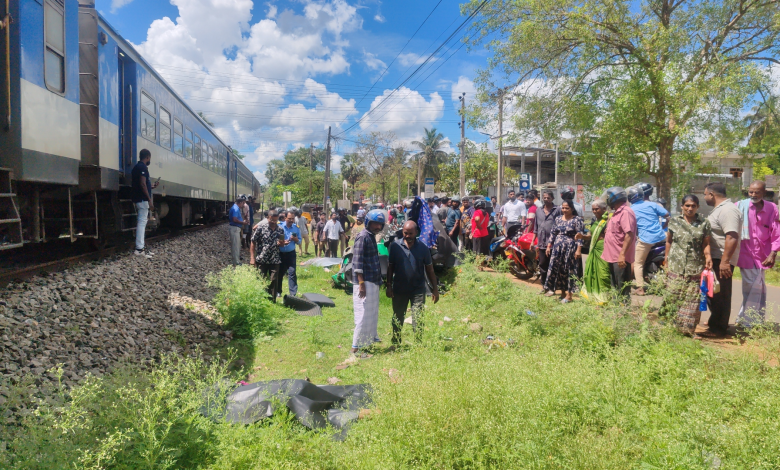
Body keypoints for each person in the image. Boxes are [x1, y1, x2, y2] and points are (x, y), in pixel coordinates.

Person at [661, 195, 713, 336]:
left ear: (697, 207)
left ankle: (687, 330)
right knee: (672, 295)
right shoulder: (674, 221)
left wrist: (708, 257)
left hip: (695, 266)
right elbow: (669, 241)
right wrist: (666, 259)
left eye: (693, 206)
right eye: (687, 206)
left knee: (692, 299)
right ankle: (669, 327)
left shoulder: (704, 223)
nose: (690, 208)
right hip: (676, 265)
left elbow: (706, 243)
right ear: (682, 206)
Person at [386, 220, 440, 348]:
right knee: (397, 317)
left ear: (416, 233)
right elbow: (390, 267)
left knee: (418, 317)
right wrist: (388, 285)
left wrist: (435, 289)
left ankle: (418, 344)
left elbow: (430, 270)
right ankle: (396, 342)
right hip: (399, 289)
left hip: (418, 289)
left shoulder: (423, 248)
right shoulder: (395, 246)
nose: (408, 236)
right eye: (405, 233)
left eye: (410, 233)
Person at [735, 180, 780, 329]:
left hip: (763, 255)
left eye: (757, 192)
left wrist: (773, 252)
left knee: (757, 286)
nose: (753, 194)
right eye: (751, 192)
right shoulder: (740, 206)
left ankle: (745, 318)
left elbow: (776, 231)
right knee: (753, 286)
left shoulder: (772, 208)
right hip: (745, 253)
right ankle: (750, 321)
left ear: (764, 193)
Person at [703, 182, 741, 336]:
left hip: (722, 259)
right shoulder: (720, 209)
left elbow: (732, 236)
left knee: (721, 294)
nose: (704, 197)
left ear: (712, 194)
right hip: (716, 258)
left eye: (705, 194)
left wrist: (725, 262)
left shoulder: (728, 210)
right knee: (713, 293)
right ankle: (716, 321)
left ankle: (718, 328)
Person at [351, 209, 387, 354]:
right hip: (364, 282)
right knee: (362, 313)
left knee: (371, 312)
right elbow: (357, 262)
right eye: (374, 224)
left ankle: (368, 340)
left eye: (380, 224)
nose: (377, 227)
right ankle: (355, 347)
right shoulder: (363, 237)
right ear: (368, 223)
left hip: (372, 280)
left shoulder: (371, 236)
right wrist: (361, 284)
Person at [629, 184, 669, 295]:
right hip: (661, 237)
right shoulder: (652, 204)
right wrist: (663, 226)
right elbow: (667, 215)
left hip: (646, 240)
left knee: (638, 264)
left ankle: (640, 288)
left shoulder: (631, 210)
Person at [542, 200, 584, 303]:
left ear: (572, 209)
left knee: (569, 270)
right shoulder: (558, 219)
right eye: (563, 208)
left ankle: (569, 295)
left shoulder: (577, 220)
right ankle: (562, 293)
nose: (564, 210)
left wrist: (578, 250)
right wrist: (549, 246)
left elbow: (580, 236)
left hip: (570, 249)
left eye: (567, 208)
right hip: (557, 248)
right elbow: (553, 233)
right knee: (559, 269)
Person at [601, 187, 636, 302]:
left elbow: (629, 234)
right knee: (615, 285)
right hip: (613, 256)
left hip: (620, 257)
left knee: (622, 286)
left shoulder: (625, 212)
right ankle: (616, 307)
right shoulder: (616, 213)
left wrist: (622, 255)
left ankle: (623, 308)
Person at [580, 200, 612, 304]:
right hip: (594, 248)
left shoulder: (609, 219)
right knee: (592, 272)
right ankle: (594, 296)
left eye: (596, 209)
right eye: (593, 209)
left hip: (604, 249)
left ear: (604, 209)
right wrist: (582, 236)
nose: (594, 211)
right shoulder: (594, 220)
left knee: (603, 274)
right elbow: (590, 235)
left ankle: (605, 298)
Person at [250, 209, 286, 301]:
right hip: (262, 258)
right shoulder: (261, 228)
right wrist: (252, 258)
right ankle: (260, 299)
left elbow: (282, 244)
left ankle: (272, 300)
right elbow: (253, 242)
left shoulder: (280, 230)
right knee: (261, 279)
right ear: (267, 218)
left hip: (275, 259)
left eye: (275, 220)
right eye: (271, 220)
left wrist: (282, 243)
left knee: (273, 280)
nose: (273, 222)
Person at [131, 149, 160, 257]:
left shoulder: (136, 167)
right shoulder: (143, 167)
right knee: (142, 222)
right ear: (147, 157)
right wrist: (149, 200)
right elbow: (142, 184)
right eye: (149, 158)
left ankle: (141, 247)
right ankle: (139, 249)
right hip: (142, 199)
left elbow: (142, 184)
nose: (149, 160)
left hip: (138, 198)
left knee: (142, 222)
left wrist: (151, 186)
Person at [535, 191, 561, 288]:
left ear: (553, 199)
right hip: (542, 243)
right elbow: (536, 227)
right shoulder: (538, 210)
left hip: (554, 243)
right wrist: (534, 240)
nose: (546, 199)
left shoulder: (557, 210)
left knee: (553, 265)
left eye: (548, 198)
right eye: (544, 197)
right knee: (542, 265)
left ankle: (552, 286)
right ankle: (544, 286)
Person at [278, 211, 301, 296]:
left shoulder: (296, 228)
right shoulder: (279, 226)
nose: (291, 220)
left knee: (292, 272)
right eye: (289, 218)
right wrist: (282, 242)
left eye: (292, 218)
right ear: (285, 218)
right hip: (280, 253)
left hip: (291, 254)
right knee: (279, 273)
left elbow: (299, 241)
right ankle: (278, 291)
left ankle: (293, 293)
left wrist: (296, 240)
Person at [228, 195, 249, 266]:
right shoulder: (236, 209)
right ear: (240, 202)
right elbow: (234, 219)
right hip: (235, 228)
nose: (243, 205)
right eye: (243, 203)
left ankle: (236, 260)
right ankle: (236, 262)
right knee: (236, 246)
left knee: (236, 245)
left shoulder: (235, 207)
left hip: (235, 228)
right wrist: (243, 222)